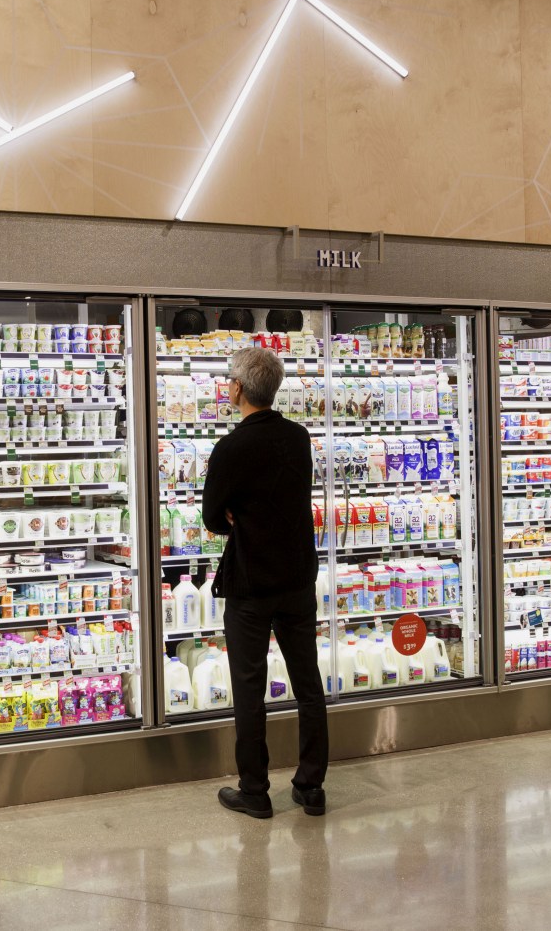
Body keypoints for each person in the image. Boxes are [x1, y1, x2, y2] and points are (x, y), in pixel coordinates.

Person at [201, 345, 328, 818]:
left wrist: (237, 517)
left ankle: (255, 790)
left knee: (250, 688)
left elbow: (213, 516)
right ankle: (311, 786)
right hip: (297, 577)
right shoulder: (298, 438)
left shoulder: (231, 447)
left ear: (236, 389)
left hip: (251, 583)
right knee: (308, 683)